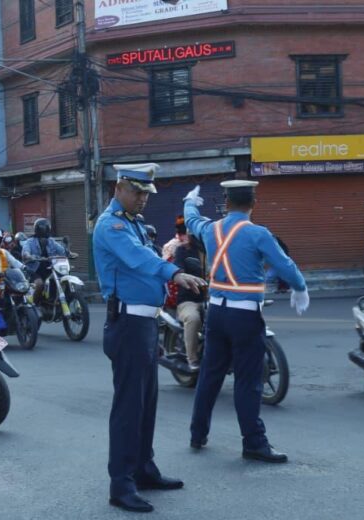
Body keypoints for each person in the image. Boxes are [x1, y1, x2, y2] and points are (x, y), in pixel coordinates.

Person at [93, 163, 206, 514]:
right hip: (127, 324)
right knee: (128, 409)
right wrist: (174, 272)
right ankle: (121, 484)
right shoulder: (111, 226)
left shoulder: (135, 223)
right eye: (136, 191)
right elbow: (139, 258)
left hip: (144, 323)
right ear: (118, 189)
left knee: (146, 405)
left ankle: (143, 469)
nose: (142, 198)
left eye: (146, 193)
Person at [184, 179, 308, 464]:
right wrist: (300, 288)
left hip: (216, 313)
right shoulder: (258, 234)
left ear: (226, 203)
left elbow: (191, 220)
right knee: (248, 380)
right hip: (244, 315)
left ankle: (197, 434)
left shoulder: (210, 229)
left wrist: (189, 201)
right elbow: (284, 264)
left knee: (210, 375)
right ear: (254, 204)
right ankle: (254, 443)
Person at [174, 234, 206, 371]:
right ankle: (192, 359)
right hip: (189, 299)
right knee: (193, 318)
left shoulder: (216, 249)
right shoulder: (183, 250)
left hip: (213, 299)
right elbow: (178, 268)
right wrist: (185, 276)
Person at [22, 219, 67, 304]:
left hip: (49, 269)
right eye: (43, 228)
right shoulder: (29, 242)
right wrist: (29, 256)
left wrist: (68, 252)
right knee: (39, 284)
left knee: (59, 279)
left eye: (46, 228)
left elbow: (61, 251)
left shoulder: (51, 241)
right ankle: (33, 305)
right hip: (34, 270)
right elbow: (25, 252)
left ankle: (53, 300)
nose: (44, 230)